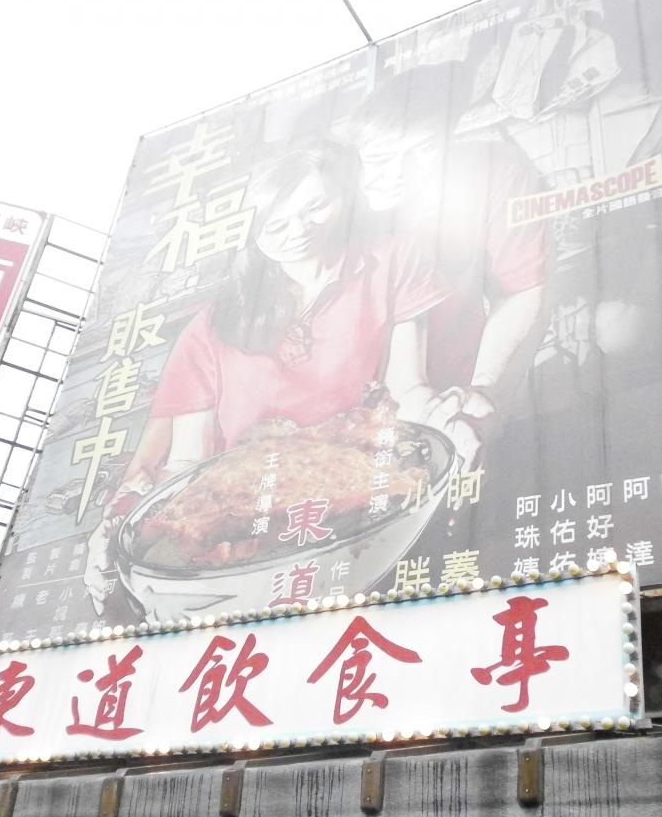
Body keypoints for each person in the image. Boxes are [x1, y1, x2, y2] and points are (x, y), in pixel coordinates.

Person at [83, 143, 448, 608]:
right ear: (249, 231)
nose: (300, 231)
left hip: (371, 512)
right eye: (275, 224)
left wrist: (446, 416)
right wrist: (122, 517)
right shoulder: (212, 326)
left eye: (316, 207)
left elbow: (407, 391)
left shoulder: (393, 260)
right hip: (255, 538)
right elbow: (188, 462)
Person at [348, 63, 550, 467]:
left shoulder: (495, 173)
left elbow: (523, 288)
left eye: (423, 150)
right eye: (380, 157)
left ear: (450, 136)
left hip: (449, 396)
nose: (398, 173)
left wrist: (483, 389)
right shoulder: (321, 206)